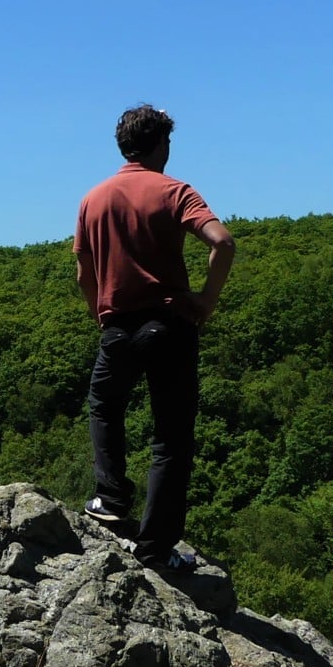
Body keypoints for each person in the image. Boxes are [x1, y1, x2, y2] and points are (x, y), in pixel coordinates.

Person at [74, 104, 235, 572]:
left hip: (118, 326)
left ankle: (111, 498)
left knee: (104, 406)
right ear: (162, 145)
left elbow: (85, 272)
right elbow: (222, 242)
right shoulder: (174, 191)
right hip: (170, 326)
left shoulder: (94, 199)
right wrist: (206, 300)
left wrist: (100, 315)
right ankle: (155, 551)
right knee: (171, 440)